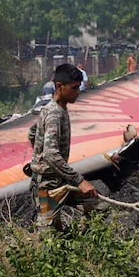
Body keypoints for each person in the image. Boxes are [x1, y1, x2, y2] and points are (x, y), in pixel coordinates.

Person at [28, 63, 98, 229]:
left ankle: (80, 244)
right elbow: (51, 154)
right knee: (48, 239)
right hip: (47, 185)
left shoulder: (57, 108)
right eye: (74, 88)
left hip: (60, 179)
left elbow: (33, 133)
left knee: (95, 204)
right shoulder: (53, 114)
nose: (78, 92)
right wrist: (79, 180)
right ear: (59, 86)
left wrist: (38, 155)